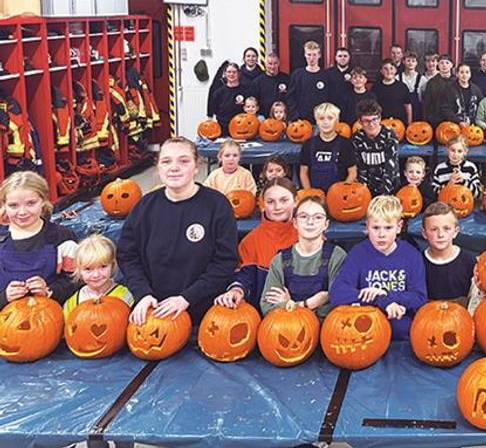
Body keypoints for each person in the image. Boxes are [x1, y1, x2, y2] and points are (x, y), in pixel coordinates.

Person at [118, 137, 239, 323]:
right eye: (166, 161)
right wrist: (143, 294)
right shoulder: (144, 208)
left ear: (196, 166)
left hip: (204, 314)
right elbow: (128, 256)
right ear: (158, 168)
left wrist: (187, 298)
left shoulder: (217, 206)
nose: (174, 167)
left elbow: (225, 262)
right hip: (155, 311)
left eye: (183, 161)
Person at [330, 196, 428, 340]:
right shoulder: (358, 253)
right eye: (375, 228)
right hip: (364, 330)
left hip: (399, 326)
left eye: (388, 228)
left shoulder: (411, 255)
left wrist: (386, 294)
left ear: (399, 227)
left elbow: (419, 298)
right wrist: (379, 299)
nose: (381, 234)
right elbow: (337, 293)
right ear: (367, 226)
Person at [260, 193, 346, 321]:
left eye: (318, 217)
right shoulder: (280, 260)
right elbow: (267, 307)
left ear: (326, 224)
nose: (310, 222)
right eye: (303, 216)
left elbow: (338, 305)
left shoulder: (337, 256)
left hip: (328, 334)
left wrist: (288, 305)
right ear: (295, 222)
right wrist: (307, 304)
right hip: (288, 332)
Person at [215, 178, 299, 308]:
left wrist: (292, 301)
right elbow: (245, 276)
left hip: (301, 314)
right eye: (270, 202)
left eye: (284, 200)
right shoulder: (251, 240)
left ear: (295, 201)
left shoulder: (309, 237)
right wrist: (237, 290)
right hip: (261, 316)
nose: (277, 207)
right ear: (263, 205)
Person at [0, 171, 77, 308]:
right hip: (5, 321)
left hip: (49, 318)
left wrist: (49, 291)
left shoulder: (62, 237)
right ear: (4, 205)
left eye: (31, 203)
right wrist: (4, 297)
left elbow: (76, 280)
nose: (22, 212)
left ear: (43, 201)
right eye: (13, 205)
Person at [63, 234, 134, 317]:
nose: (96, 275)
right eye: (88, 269)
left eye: (102, 267)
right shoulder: (71, 304)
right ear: (78, 269)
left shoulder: (125, 296)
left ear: (112, 265)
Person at [421, 202, 476, 305]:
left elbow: (475, 299)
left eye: (446, 229)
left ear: (455, 231)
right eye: (433, 229)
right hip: (427, 317)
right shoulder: (418, 262)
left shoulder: (469, 261)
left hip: (461, 317)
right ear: (424, 233)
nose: (440, 234)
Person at [299, 102, 357, 191]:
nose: (326, 122)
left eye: (330, 118)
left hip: (338, 195)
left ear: (337, 121)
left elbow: (352, 172)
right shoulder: (308, 144)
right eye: (321, 118)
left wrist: (342, 191)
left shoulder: (345, 144)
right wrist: (309, 192)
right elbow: (303, 172)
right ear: (316, 121)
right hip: (315, 196)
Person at [351, 99, 400, 197]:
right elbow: (360, 166)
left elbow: (390, 166)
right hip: (366, 188)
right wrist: (363, 191)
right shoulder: (357, 138)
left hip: (389, 187)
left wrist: (384, 194)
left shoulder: (389, 136)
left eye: (375, 119)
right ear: (360, 121)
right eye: (366, 121)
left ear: (380, 118)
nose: (371, 124)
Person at [287, 41, 329, 122]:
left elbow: (329, 98)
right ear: (305, 55)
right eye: (309, 54)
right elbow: (291, 97)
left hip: (321, 121)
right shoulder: (297, 74)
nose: (311, 58)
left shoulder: (326, 75)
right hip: (301, 120)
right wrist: (295, 116)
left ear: (319, 56)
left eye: (314, 55)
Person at [432, 135, 482, 200]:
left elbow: (477, 194)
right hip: (445, 205)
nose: (455, 154)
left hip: (464, 205)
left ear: (465, 152)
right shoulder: (440, 168)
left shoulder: (470, 167)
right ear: (447, 150)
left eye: (459, 151)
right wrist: (449, 184)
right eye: (453, 150)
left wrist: (463, 181)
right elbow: (434, 194)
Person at [208, 62, 251, 132]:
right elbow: (214, 111)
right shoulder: (218, 93)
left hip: (242, 129)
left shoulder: (246, 91)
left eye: (234, 72)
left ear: (239, 73)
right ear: (225, 74)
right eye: (229, 72)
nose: (231, 74)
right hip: (223, 129)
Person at [373, 58, 411, 124]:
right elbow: (373, 108)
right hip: (381, 123)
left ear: (395, 70)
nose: (389, 71)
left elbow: (408, 106)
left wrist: (409, 123)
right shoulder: (376, 87)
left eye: (391, 68)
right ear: (381, 71)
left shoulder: (402, 87)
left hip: (400, 123)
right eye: (385, 69)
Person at [252, 52, 289, 118]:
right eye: (270, 64)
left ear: (278, 63)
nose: (272, 66)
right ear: (265, 64)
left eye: (275, 63)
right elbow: (254, 102)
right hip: (264, 119)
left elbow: (290, 99)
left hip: (283, 119)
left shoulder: (287, 79)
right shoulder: (257, 82)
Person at [422, 54, 455, 127]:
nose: (444, 65)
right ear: (438, 65)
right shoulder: (432, 82)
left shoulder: (456, 82)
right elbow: (426, 103)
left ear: (451, 65)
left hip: (453, 120)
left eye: (447, 63)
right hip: (436, 120)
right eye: (441, 63)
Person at [321, 47, 353, 114]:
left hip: (350, 109)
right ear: (336, 58)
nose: (342, 58)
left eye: (345, 56)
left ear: (349, 57)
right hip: (332, 110)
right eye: (340, 56)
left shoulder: (354, 72)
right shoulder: (327, 73)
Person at [399, 51, 426, 121]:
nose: (410, 63)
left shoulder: (422, 79)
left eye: (413, 61)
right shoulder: (397, 78)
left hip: (418, 113)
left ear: (416, 63)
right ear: (403, 61)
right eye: (408, 60)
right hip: (402, 112)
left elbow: (425, 98)